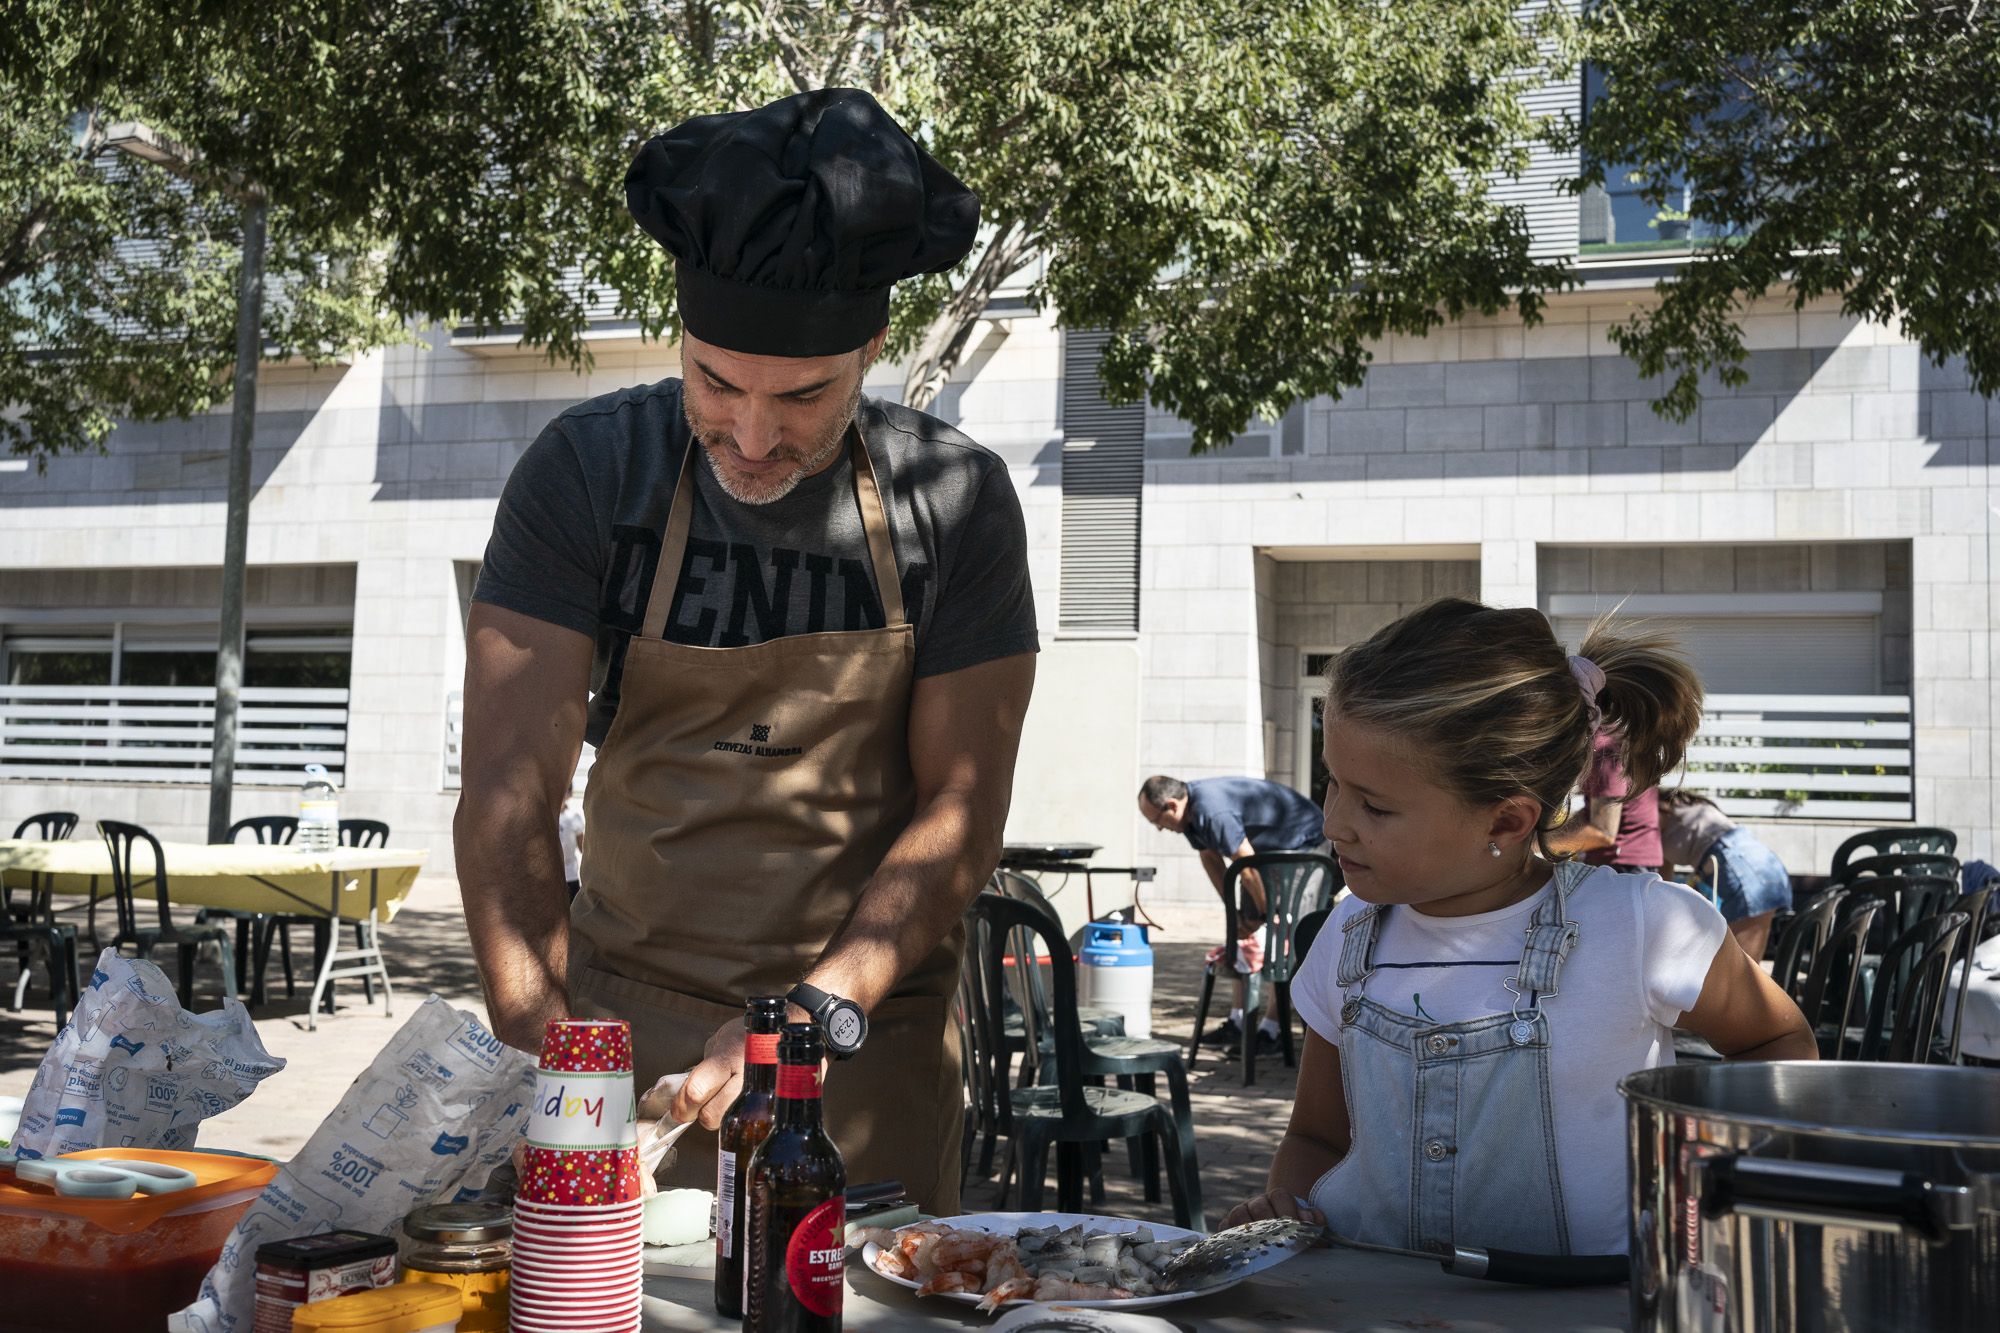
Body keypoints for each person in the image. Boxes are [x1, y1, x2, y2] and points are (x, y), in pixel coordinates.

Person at [455, 88, 1038, 1217]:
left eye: (803, 395)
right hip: (618, 1032)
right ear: (678, 335)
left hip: (858, 1042)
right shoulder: (586, 473)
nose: (753, 435)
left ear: (871, 348)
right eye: (716, 383)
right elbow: (507, 793)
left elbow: (961, 811)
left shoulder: (955, 499)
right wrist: (547, 1050)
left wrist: (810, 1015)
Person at [1223, 599, 1815, 1255]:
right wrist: (1288, 1218)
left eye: (1375, 804)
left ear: (1505, 821)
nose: (1334, 821)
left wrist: (1708, 1184)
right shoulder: (1346, 937)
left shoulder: (1643, 924)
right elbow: (1317, 1138)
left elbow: (1777, 1038)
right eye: (1333, 783)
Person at [1138, 774, 1328, 1052]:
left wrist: (1269, 914)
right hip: (1262, 855)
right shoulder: (1191, 818)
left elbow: (1246, 865)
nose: (1158, 829)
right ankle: (1239, 1023)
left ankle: (1271, 1031)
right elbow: (1210, 858)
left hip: (1302, 844)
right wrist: (1235, 914)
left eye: (1156, 821)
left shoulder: (1213, 811)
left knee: (1283, 942)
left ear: (1172, 806)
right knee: (1243, 934)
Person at [1657, 789, 1793, 961]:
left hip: (1741, 868)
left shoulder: (1655, 810)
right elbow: (1665, 875)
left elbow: (1663, 875)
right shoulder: (1684, 804)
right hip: (1760, 861)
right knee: (1744, 968)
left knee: (1740, 971)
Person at [1545, 725, 1663, 874]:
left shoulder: (1604, 747)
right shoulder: (1611, 736)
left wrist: (1538, 844)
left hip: (1623, 864)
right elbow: (1595, 814)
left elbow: (1603, 832)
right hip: (1629, 859)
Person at [557, 796, 586, 902]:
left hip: (570, 876)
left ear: (569, 793)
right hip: (550, 877)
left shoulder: (574, 817)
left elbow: (583, 848)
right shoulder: (545, 816)